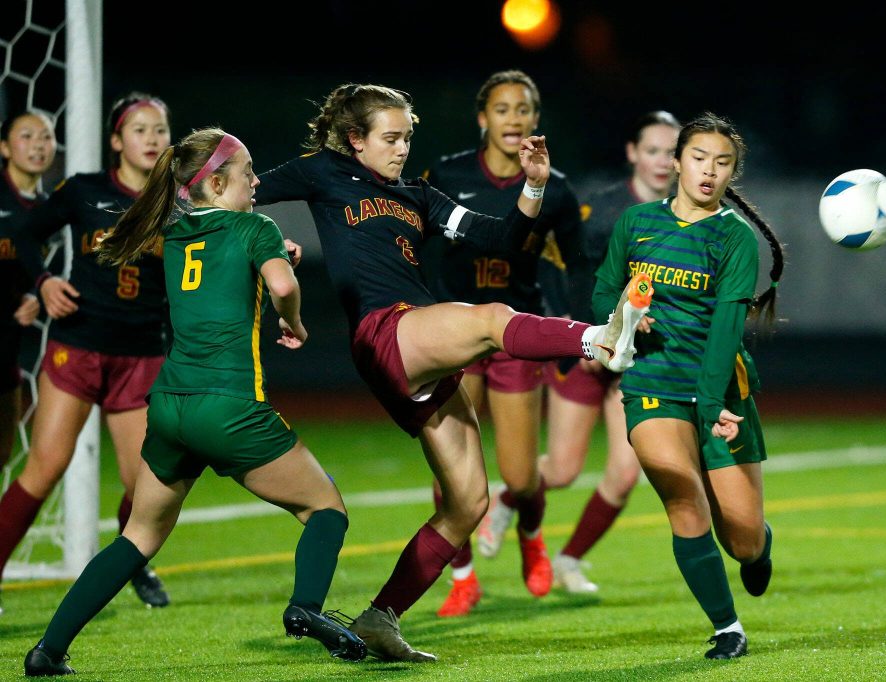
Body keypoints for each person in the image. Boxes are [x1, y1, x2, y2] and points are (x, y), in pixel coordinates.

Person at [254, 82, 651, 662]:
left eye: (407, 137)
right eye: (389, 138)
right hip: (383, 330)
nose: (401, 149)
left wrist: (534, 184)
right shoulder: (322, 171)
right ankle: (599, 338)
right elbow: (239, 192)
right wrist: (266, 244)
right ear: (353, 139)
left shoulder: (419, 195)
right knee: (491, 319)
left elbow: (504, 237)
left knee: (469, 503)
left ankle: (379, 617)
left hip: (416, 345)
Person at [23, 127, 367, 676]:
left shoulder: (177, 231)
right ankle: (305, 608)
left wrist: (272, 257)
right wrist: (294, 319)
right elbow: (280, 287)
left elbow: (221, 268)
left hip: (168, 406)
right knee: (325, 510)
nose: (257, 180)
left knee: (139, 534)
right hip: (230, 408)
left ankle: (48, 649)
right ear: (219, 181)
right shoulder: (258, 227)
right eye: (249, 171)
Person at [591, 112, 783, 660]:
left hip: (720, 390)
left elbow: (724, 336)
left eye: (723, 164)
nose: (709, 171)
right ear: (676, 163)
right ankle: (727, 628)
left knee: (742, 541)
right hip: (652, 382)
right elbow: (602, 293)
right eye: (699, 158)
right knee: (680, 489)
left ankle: (760, 546)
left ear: (731, 175)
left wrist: (708, 409)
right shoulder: (636, 224)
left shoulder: (734, 240)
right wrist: (622, 315)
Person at [420, 69, 590, 616]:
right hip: (455, 335)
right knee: (452, 469)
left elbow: (577, 265)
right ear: (482, 118)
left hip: (516, 336)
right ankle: (463, 577)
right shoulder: (445, 174)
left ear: (535, 119)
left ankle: (531, 535)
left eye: (523, 109)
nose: (513, 119)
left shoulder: (555, 189)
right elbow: (410, 245)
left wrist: (578, 331)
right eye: (502, 109)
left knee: (519, 475)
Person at [0, 93, 172, 608]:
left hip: (141, 356)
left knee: (146, 487)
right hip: (77, 348)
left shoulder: (178, 203)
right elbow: (25, 235)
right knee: (46, 465)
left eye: (160, 130)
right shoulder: (84, 191)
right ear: (116, 141)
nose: (152, 139)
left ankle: (133, 560)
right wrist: (44, 279)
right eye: (139, 130)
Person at [537, 111, 681, 594]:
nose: (663, 161)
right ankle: (510, 497)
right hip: (590, 350)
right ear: (633, 153)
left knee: (624, 473)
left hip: (637, 359)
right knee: (560, 471)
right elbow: (564, 270)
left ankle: (568, 560)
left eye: (671, 151)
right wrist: (579, 334)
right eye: (654, 150)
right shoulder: (599, 211)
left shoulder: (688, 216)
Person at [0, 111, 56, 467]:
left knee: (3, 454)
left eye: (46, 136)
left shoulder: (48, 211)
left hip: (8, 348)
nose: (38, 144)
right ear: (4, 147)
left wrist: (35, 297)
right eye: (26, 135)